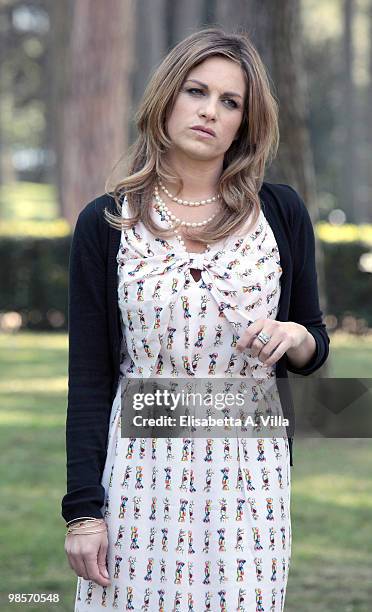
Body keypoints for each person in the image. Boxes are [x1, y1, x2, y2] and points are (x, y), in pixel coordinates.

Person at [62, 27, 330, 612]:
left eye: (230, 102)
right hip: (137, 472)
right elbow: (88, 378)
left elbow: (315, 343)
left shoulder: (281, 212)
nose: (210, 111)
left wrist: (295, 337)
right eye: (196, 91)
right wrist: (83, 511)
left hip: (249, 477)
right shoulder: (105, 223)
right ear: (166, 98)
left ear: (246, 122)